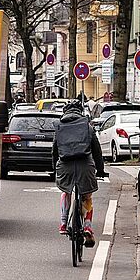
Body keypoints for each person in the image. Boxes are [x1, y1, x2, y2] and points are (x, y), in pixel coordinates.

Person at [52, 99, 106, 247]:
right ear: (80, 112)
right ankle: (87, 225)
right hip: (85, 165)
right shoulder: (87, 127)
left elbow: (55, 151)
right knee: (87, 195)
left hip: (65, 166)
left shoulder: (60, 127)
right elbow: (97, 151)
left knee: (66, 191)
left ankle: (63, 223)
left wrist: (54, 169)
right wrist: (100, 170)